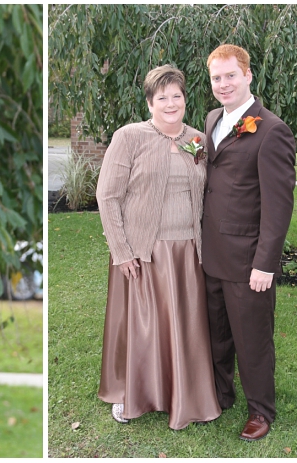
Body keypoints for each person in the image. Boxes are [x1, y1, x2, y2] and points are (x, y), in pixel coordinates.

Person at [95, 65, 222, 429]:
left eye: (176, 96)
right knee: (142, 327)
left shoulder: (197, 139)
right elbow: (107, 195)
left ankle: (186, 394)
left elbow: (206, 190)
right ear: (150, 102)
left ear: (185, 99)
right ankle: (128, 392)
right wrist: (121, 251)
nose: (170, 103)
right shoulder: (129, 136)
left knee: (185, 326)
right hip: (142, 251)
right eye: (162, 97)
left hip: (187, 251)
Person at [202, 44, 295, 441]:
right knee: (216, 334)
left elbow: (279, 206)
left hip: (247, 262)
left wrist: (265, 264)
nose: (223, 84)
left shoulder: (271, 130)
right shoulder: (210, 120)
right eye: (216, 78)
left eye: (230, 76)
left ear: (248, 75)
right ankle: (220, 394)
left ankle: (261, 410)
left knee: (252, 339)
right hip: (210, 254)